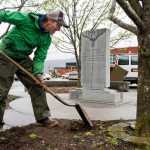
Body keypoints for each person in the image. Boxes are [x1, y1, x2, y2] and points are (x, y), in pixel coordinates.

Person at [0, 9, 69, 128]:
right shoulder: (25, 19)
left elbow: (39, 58)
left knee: (37, 85)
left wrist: (38, 73)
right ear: (50, 20)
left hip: (22, 58)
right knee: (1, 90)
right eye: (58, 25)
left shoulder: (46, 38)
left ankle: (43, 117)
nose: (58, 29)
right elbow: (2, 15)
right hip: (5, 55)